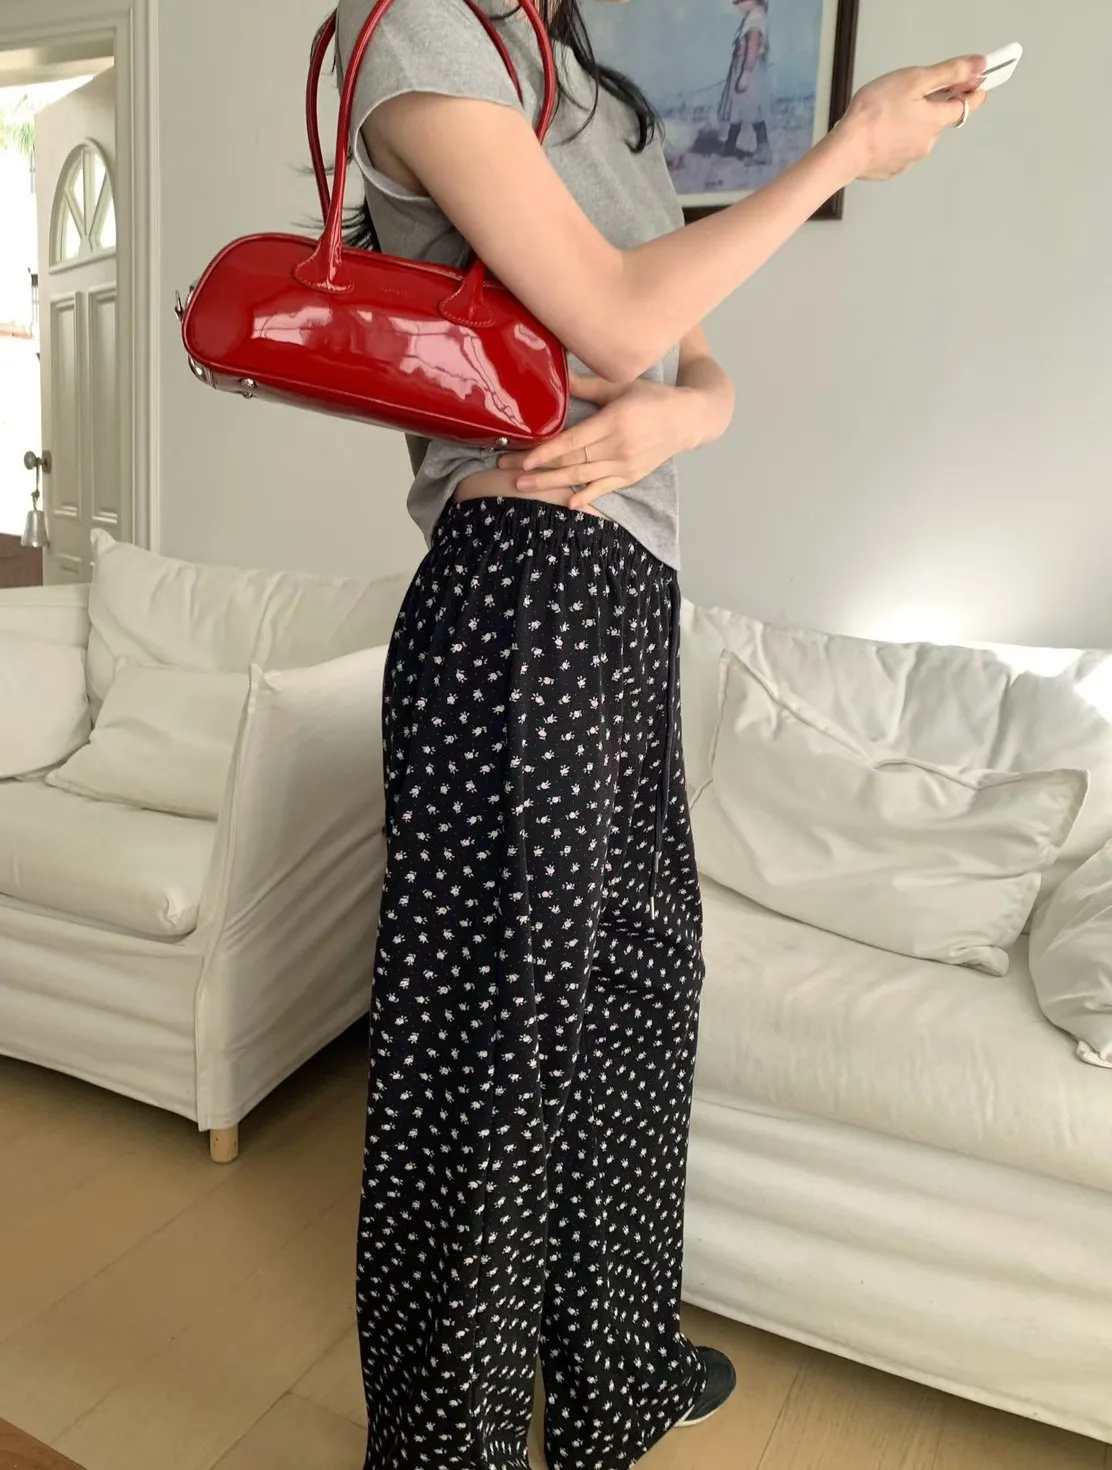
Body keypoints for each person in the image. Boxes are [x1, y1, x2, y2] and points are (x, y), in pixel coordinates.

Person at [331, 2, 987, 1465]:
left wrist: (680, 422)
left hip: (627, 592)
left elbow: (695, 361)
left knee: (640, 991)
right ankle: (444, 1450)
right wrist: (846, 149)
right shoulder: (424, 38)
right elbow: (618, 324)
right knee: (489, 1049)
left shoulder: (592, 91)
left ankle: (614, 1376)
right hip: (520, 582)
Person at [718, 0, 773, 166]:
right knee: (737, 108)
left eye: (741, 1)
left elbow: (752, 48)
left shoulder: (755, 20)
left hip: (748, 69)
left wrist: (746, 74)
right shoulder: (751, 17)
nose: (738, 6)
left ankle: (763, 150)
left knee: (752, 108)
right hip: (740, 66)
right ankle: (730, 144)